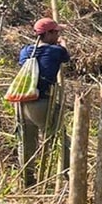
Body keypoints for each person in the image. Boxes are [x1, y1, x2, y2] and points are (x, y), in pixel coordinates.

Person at [16, 17, 70, 187]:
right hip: (42, 102)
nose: (58, 35)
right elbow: (66, 56)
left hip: (22, 102)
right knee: (61, 139)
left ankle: (27, 180)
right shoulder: (56, 51)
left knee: (26, 142)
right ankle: (66, 177)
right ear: (47, 34)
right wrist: (63, 43)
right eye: (56, 32)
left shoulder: (25, 51)